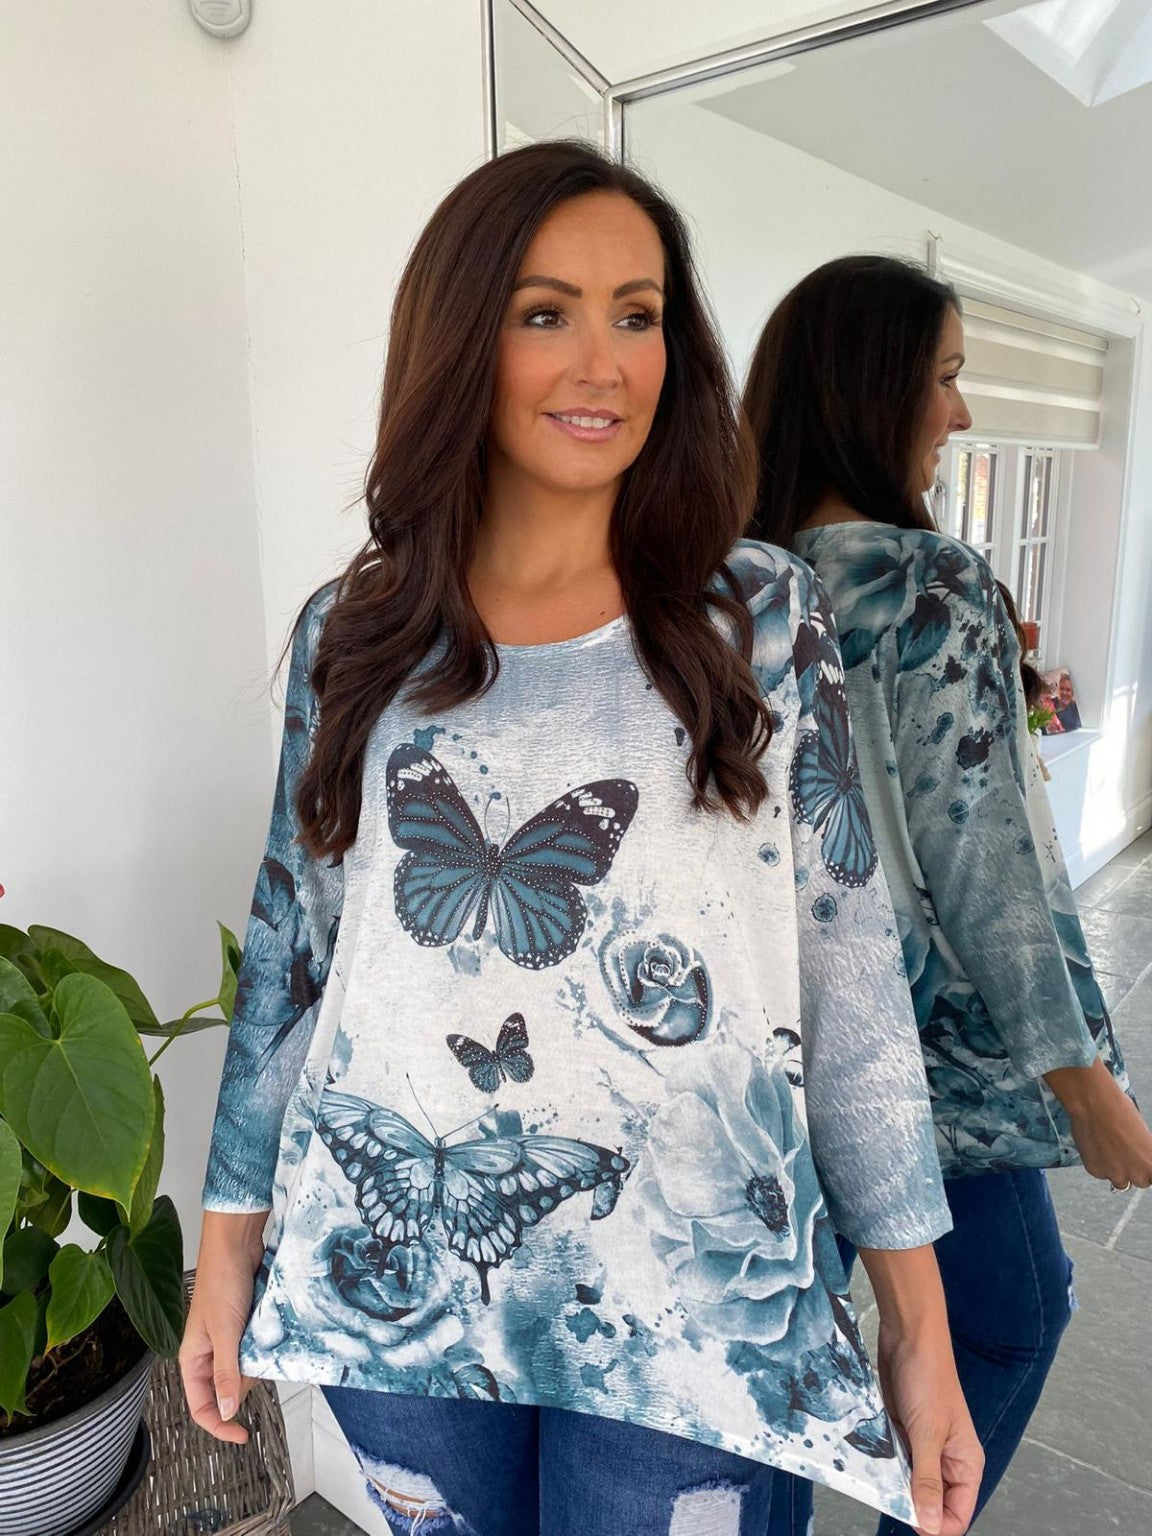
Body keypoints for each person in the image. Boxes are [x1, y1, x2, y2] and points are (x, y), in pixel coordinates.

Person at [181, 150, 983, 1536]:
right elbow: (288, 959)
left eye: (639, 313)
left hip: (691, 1312)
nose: (603, 362)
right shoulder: (354, 635)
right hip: (397, 1280)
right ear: (461, 340)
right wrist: (225, 1246)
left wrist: (918, 1325)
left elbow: (850, 987)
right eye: (546, 312)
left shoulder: (759, 620)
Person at [743, 253, 1152, 1535]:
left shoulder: (721, 578)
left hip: (760, 1048)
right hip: (924, 1058)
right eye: (947, 378)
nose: (961, 413)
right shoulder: (929, 582)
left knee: (782, 1360)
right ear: (870, 392)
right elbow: (985, 862)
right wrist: (1085, 1081)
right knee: (1013, 1319)